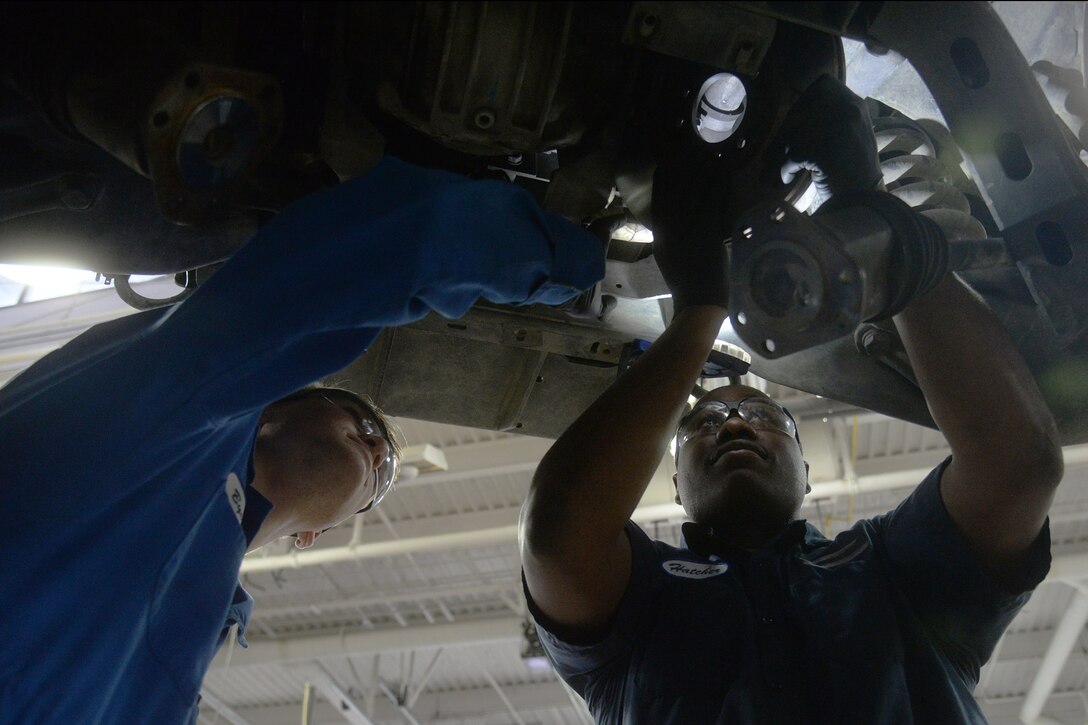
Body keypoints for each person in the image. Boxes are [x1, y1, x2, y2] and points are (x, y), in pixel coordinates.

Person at [519, 75, 1065, 723]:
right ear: (675, 478)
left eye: (760, 415)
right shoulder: (640, 601)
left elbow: (1017, 466)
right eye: (704, 423)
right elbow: (558, 531)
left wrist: (705, 303)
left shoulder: (885, 569)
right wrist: (877, 231)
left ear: (807, 469)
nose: (733, 422)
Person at [0, 157, 605, 724]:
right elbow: (355, 261)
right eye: (358, 423)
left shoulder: (202, 612)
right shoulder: (179, 414)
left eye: (383, 470)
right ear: (269, 408)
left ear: (318, 533)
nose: (376, 448)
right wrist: (586, 262)